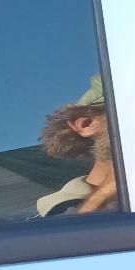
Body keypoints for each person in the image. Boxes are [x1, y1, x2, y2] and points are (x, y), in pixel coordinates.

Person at [35, 75, 117, 217]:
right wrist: (111, 191)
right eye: (132, 112)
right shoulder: (55, 214)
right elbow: (68, 237)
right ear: (86, 125)